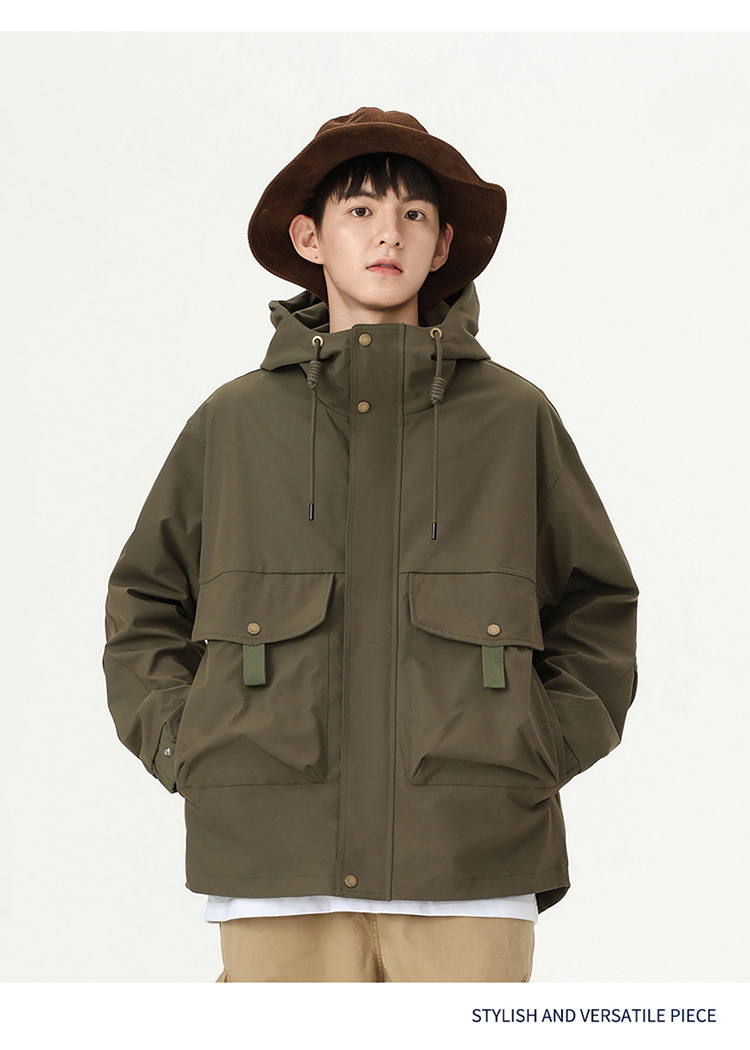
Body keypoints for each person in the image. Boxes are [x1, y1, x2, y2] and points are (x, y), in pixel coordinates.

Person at [102, 107, 639, 983]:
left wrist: (539, 745)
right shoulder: (233, 423)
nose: (389, 233)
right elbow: (143, 605)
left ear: (443, 244)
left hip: (472, 861)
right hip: (273, 861)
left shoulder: (515, 419)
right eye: (360, 210)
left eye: (413, 214)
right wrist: (186, 743)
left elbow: (598, 606)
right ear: (309, 237)